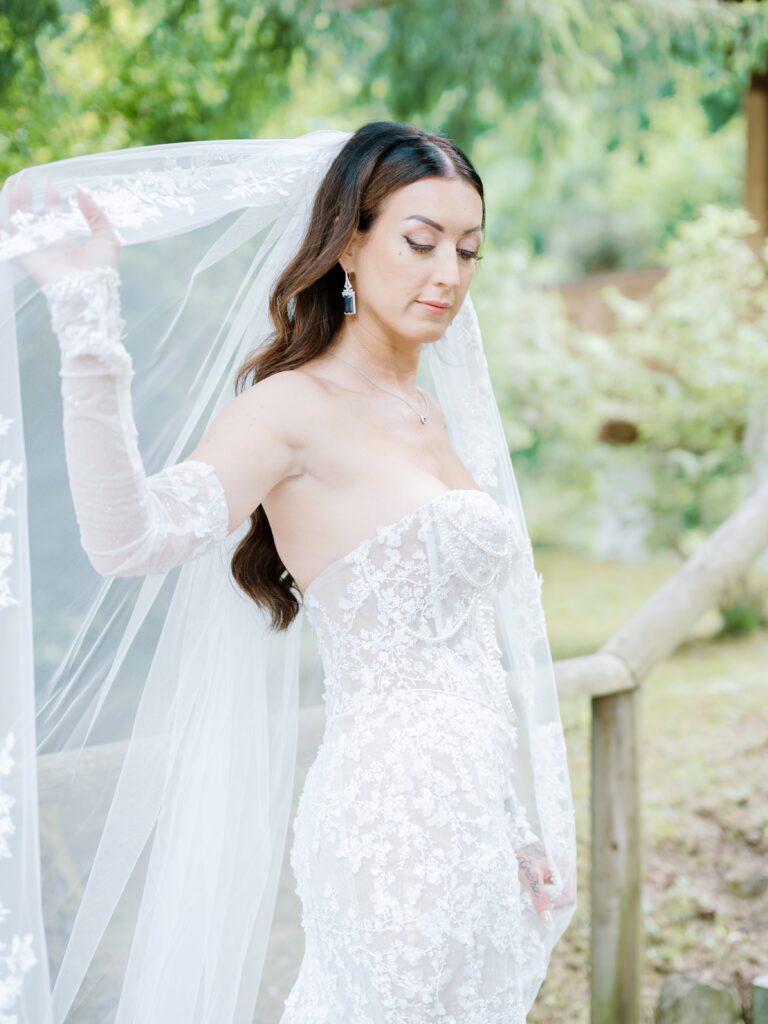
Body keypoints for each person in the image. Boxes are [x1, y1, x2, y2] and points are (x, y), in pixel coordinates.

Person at [0, 121, 576, 1023]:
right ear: (350, 242)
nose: (448, 276)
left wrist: (508, 824)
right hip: (390, 825)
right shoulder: (289, 409)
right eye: (420, 243)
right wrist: (86, 316)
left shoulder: (429, 411)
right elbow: (129, 537)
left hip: (471, 821)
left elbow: (458, 647)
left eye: (468, 250)